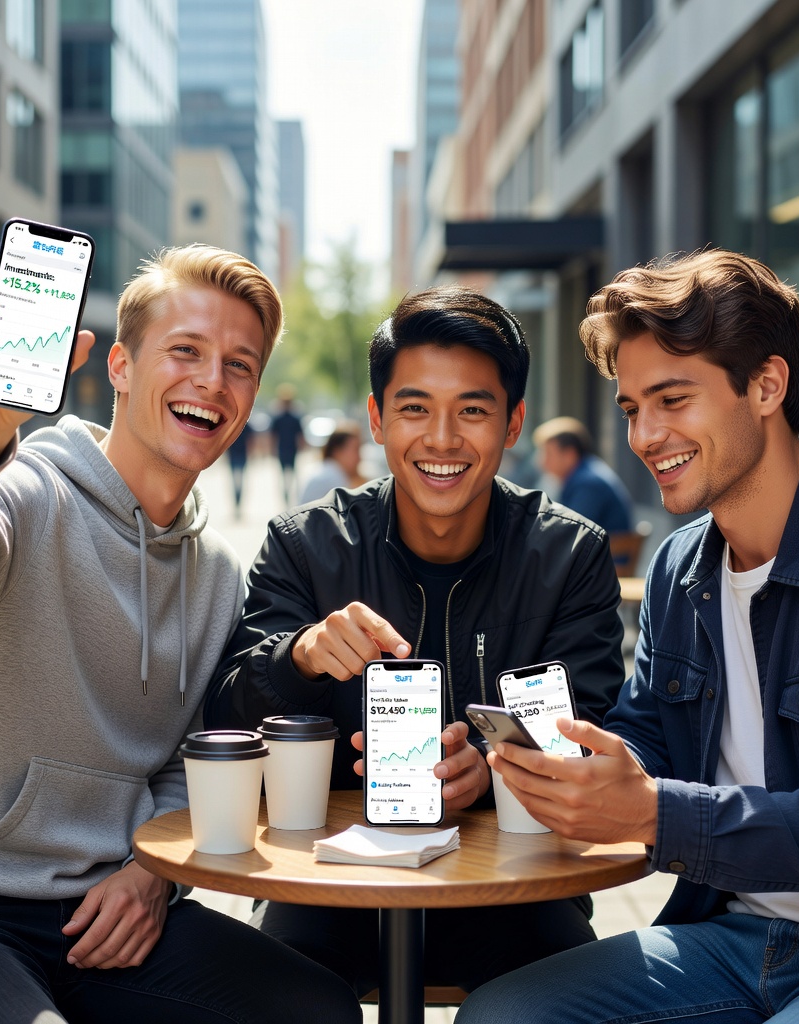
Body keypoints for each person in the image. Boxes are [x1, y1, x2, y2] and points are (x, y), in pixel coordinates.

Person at [0, 245, 361, 1024]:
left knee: (320, 1009)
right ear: (117, 365)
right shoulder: (19, 494)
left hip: (111, 907)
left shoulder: (216, 573)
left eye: (239, 365)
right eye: (185, 351)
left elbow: (193, 759)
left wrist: (155, 875)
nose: (212, 382)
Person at [456, 250, 799, 1024]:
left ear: (767, 385)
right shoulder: (681, 565)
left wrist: (653, 814)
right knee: (499, 1016)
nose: (644, 434)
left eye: (672, 398)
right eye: (632, 406)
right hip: (722, 934)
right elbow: (650, 736)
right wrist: (588, 770)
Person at [204, 285, 625, 996]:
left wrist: (492, 771)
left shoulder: (568, 555)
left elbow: (593, 730)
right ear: (376, 417)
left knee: (569, 1006)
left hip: (517, 895)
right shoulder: (305, 547)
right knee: (274, 1005)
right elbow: (224, 720)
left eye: (472, 410)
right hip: (329, 894)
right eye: (414, 408)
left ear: (514, 422)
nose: (441, 439)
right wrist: (301, 656)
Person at [532, 415, 632, 534]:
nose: (541, 461)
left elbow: (570, 530)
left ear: (569, 455)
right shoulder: (585, 472)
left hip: (608, 551)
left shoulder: (587, 483)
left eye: (548, 453)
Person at [297, 419, 365, 503]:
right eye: (356, 450)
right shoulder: (332, 477)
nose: (359, 457)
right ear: (337, 451)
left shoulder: (327, 470)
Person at [269, 382, 304, 505]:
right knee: (292, 473)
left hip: (283, 449)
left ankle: (287, 494)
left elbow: (273, 436)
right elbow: (300, 436)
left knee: (285, 474)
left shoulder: (278, 418)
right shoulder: (295, 418)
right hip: (290, 449)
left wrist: (272, 449)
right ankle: (291, 494)